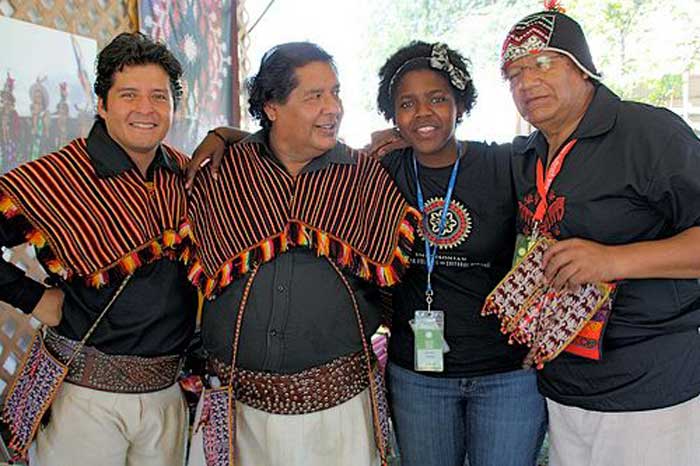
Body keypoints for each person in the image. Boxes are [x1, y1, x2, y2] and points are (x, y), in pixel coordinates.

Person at [185, 42, 419, 466]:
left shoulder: (363, 177)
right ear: (272, 106)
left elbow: (396, 283)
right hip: (237, 411)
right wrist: (223, 135)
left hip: (339, 416)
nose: (333, 108)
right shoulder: (222, 173)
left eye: (336, 92)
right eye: (315, 96)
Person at [501, 7, 700, 466]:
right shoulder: (529, 153)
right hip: (565, 384)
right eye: (513, 73)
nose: (526, 82)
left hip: (648, 389)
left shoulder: (647, 132)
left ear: (583, 67)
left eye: (543, 63)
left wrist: (613, 260)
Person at [0, 32, 197, 466]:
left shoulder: (187, 176)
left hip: (167, 396)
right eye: (129, 95)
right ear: (103, 104)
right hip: (84, 399)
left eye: (158, 97)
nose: (146, 109)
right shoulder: (58, 177)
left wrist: (222, 135)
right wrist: (34, 298)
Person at [374, 41, 545, 466]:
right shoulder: (382, 171)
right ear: (393, 116)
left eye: (437, 99)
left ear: (460, 104)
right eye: (407, 104)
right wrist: (227, 135)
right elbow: (302, 146)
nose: (423, 114)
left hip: (506, 374)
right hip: (418, 378)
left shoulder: (503, 164)